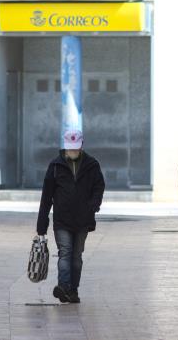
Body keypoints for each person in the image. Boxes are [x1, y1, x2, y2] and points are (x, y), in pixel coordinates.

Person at [36, 129, 105, 304]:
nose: (72, 151)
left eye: (75, 148)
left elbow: (99, 187)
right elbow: (46, 197)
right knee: (65, 253)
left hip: (83, 219)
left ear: (81, 145)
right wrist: (41, 226)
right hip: (62, 220)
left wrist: (93, 206)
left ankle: (72, 290)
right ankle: (64, 286)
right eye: (69, 148)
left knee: (76, 257)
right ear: (65, 147)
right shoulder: (55, 166)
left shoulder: (92, 165)